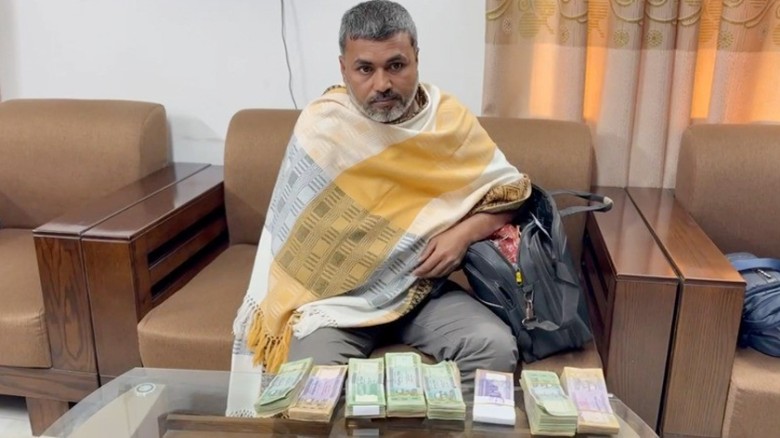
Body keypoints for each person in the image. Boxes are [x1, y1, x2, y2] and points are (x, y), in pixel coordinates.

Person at [230, 0, 531, 384]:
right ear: (344, 68)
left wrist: (462, 235)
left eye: (396, 65)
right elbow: (295, 238)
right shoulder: (323, 124)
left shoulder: (446, 120)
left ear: (416, 58)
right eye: (365, 69)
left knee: (493, 347)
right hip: (336, 305)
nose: (382, 84)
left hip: (421, 291)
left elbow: (511, 192)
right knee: (308, 382)